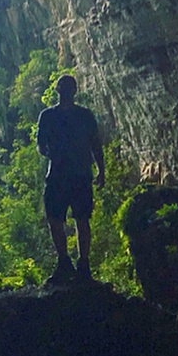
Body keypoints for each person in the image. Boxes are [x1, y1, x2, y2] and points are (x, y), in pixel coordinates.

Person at [36, 74, 105, 284]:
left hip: (79, 175)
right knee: (55, 219)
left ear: (74, 90)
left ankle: (82, 264)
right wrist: (50, 153)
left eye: (69, 87)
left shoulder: (84, 116)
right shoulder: (48, 116)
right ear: (59, 90)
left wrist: (101, 171)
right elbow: (40, 144)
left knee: (81, 219)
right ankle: (65, 262)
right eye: (64, 87)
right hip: (59, 175)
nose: (66, 91)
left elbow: (95, 144)